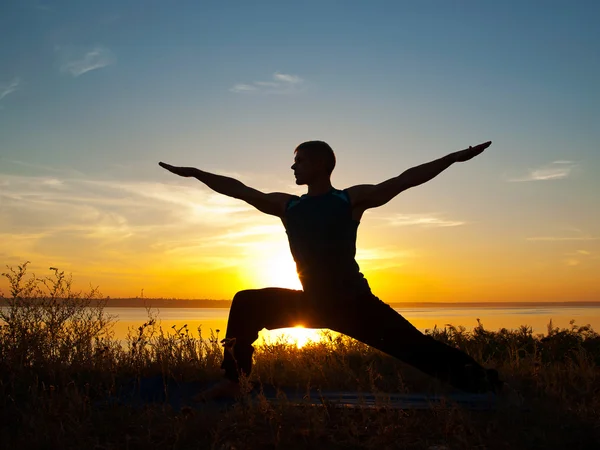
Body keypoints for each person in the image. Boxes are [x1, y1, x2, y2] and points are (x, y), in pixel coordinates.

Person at [159, 140, 505, 400]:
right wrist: (196, 174)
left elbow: (405, 180)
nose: (293, 168)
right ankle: (234, 381)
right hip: (313, 303)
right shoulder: (287, 205)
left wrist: (452, 158)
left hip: (355, 304)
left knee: (418, 349)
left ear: (320, 164)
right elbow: (239, 190)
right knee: (247, 302)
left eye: (298, 162)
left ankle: (490, 386)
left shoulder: (349, 200)